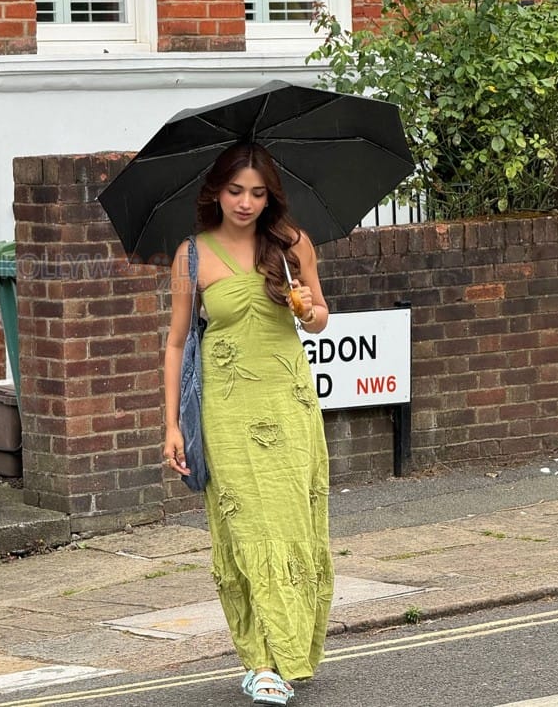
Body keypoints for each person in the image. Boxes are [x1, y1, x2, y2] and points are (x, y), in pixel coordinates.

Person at [163, 142, 335, 706]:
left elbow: (319, 323)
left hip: (289, 406)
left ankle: (290, 649)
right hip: (228, 413)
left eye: (258, 193)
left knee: (290, 528)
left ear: (271, 196)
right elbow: (177, 341)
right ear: (215, 191)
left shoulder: (290, 245)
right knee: (247, 533)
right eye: (236, 190)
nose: (246, 202)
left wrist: (306, 307)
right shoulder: (192, 256)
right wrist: (172, 425)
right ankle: (261, 662)